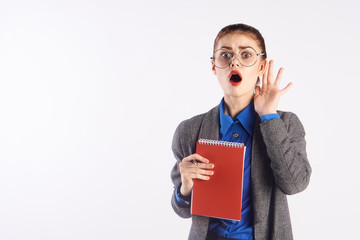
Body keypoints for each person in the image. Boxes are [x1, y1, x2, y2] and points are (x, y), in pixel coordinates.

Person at [170, 23, 312, 240]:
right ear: (213, 66)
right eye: (225, 55)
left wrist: (268, 116)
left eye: (246, 55)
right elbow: (181, 209)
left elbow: (294, 184)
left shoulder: (285, 123)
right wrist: (185, 188)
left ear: (261, 67)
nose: (234, 61)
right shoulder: (189, 130)